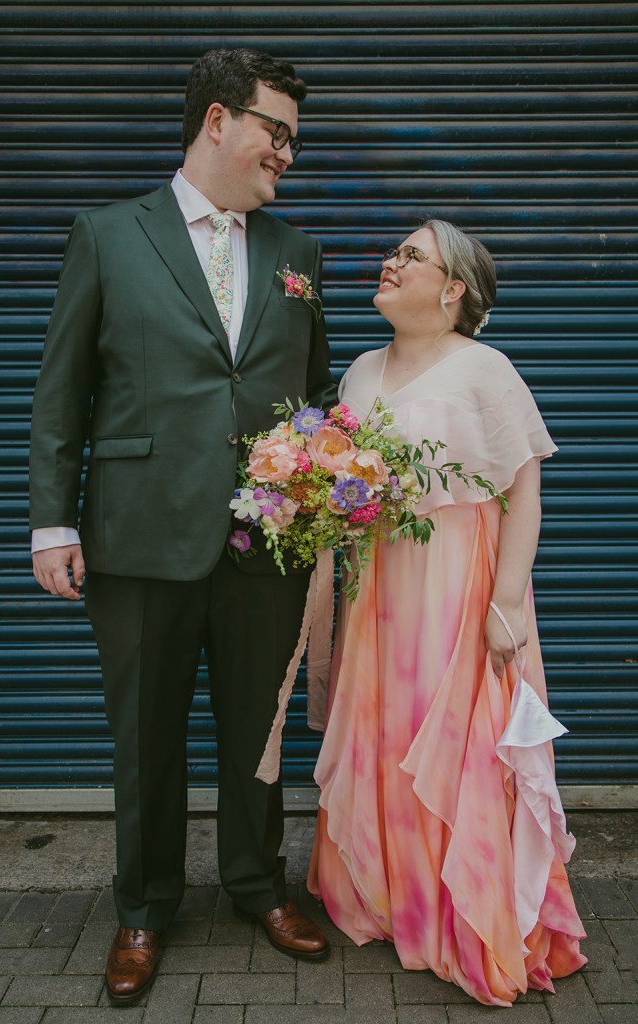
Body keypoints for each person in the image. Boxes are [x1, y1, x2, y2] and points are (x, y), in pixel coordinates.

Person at [29, 48, 337, 1004]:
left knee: (259, 732)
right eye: (274, 130)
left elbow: (315, 389)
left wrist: (326, 483)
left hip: (265, 542)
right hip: (138, 537)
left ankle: (257, 886)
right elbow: (62, 390)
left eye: (292, 136)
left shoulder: (296, 253)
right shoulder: (108, 234)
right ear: (216, 120)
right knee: (146, 735)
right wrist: (51, 525)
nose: (286, 151)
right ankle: (144, 906)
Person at [307, 220, 587, 1006]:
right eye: (391, 251)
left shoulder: (484, 369)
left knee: (454, 741)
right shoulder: (360, 370)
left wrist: (507, 606)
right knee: (386, 733)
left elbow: (523, 493)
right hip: (379, 590)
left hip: (460, 584)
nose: (389, 262)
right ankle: (398, 902)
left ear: (453, 288)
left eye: (410, 256)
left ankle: (465, 916)